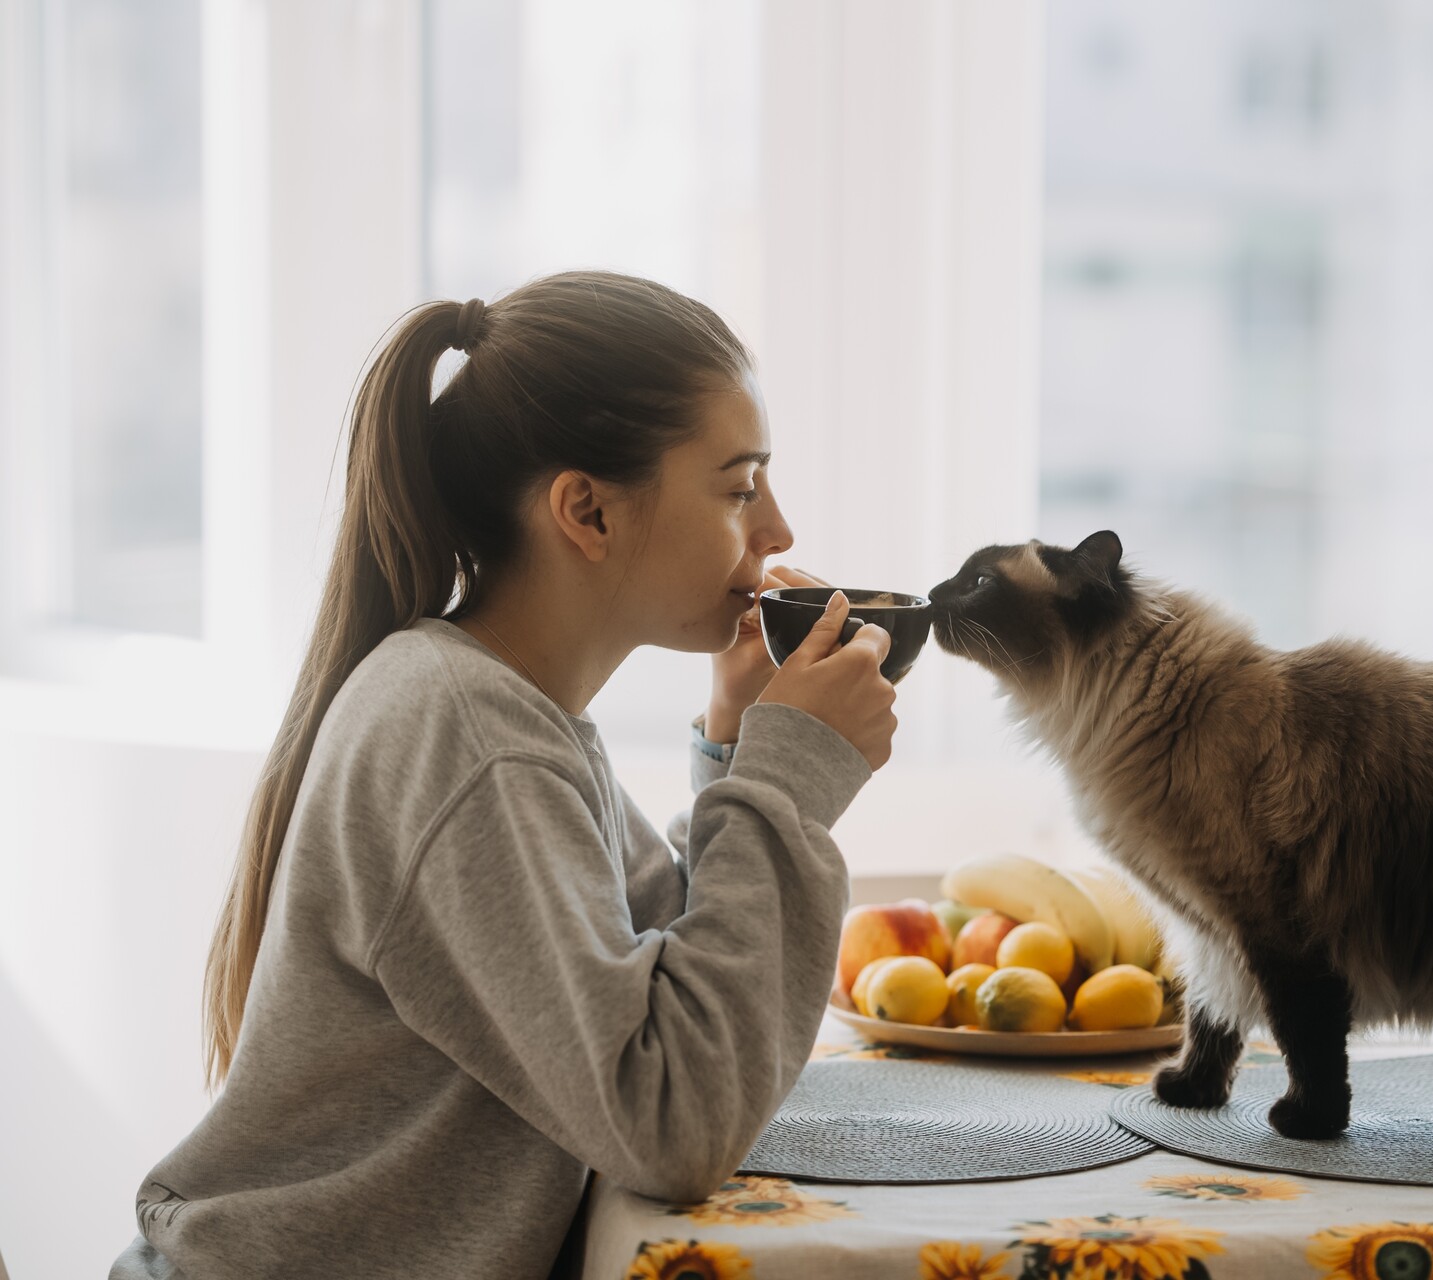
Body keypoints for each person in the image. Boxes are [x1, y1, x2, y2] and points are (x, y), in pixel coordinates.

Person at [109, 271, 898, 1279]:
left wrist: (741, 749)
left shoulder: (510, 707)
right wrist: (785, 784)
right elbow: (676, 1115)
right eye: (740, 486)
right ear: (588, 512)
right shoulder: (471, 735)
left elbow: (687, 1001)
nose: (778, 530)